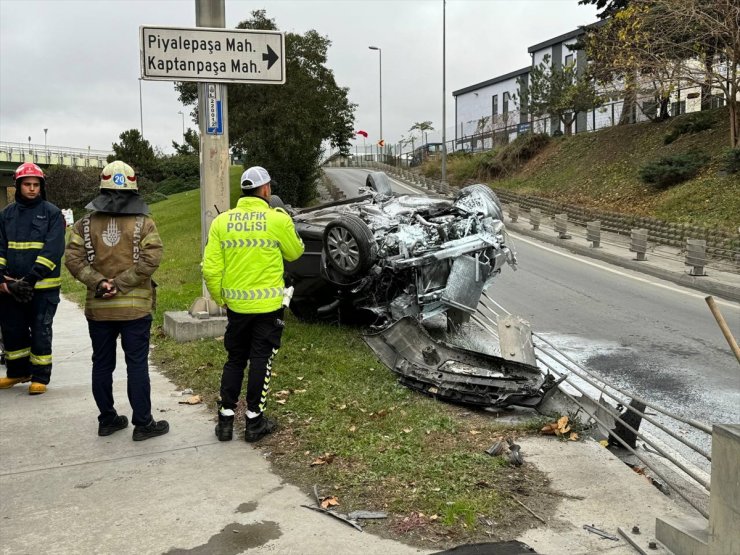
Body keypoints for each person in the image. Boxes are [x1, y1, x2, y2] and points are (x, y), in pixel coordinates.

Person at [65, 160, 169, 441]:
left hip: (98, 309)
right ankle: (143, 424)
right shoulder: (144, 223)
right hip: (135, 309)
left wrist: (100, 283)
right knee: (136, 364)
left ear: (102, 187)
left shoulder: (83, 224)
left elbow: (73, 259)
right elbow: (151, 258)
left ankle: (108, 419)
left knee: (101, 363)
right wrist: (121, 284)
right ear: (134, 188)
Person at [203, 166, 304, 443]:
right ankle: (254, 421)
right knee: (261, 359)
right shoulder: (276, 219)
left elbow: (210, 269)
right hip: (269, 308)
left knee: (235, 359)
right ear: (266, 190)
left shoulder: (222, 222)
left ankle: (225, 420)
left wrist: (221, 299)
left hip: (236, 307)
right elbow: (296, 252)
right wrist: (285, 220)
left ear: (243, 191)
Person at [0, 162, 65, 395]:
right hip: (11, 289)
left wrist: (30, 279)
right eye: (27, 184)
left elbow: (53, 250)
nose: (31, 188)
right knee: (13, 331)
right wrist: (5, 281)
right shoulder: (6, 215)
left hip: (43, 289)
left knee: (40, 330)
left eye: (35, 184)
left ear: (41, 186)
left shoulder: (52, 213)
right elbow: (0, 249)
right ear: (18, 186)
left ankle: (40, 377)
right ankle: (18, 372)